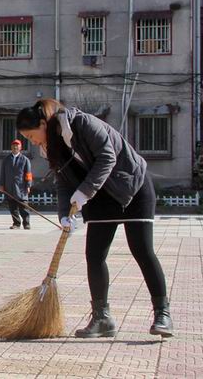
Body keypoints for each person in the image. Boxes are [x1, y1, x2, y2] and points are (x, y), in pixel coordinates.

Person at [16, 99, 172, 338]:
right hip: (100, 196)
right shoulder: (50, 147)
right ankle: (102, 318)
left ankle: (162, 314)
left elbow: (107, 158)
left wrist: (84, 192)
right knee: (95, 256)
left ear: (43, 124)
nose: (32, 142)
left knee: (142, 250)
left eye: (30, 135)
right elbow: (63, 182)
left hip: (131, 187)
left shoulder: (82, 124)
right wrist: (64, 215)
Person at [0, 139, 33, 230]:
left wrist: (28, 185)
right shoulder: (6, 160)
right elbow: (2, 173)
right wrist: (1, 184)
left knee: (23, 206)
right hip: (9, 187)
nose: (15, 147)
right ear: (11, 147)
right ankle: (16, 223)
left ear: (20, 148)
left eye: (17, 146)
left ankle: (26, 223)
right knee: (12, 207)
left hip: (21, 187)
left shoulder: (25, 160)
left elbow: (28, 174)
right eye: (13, 146)